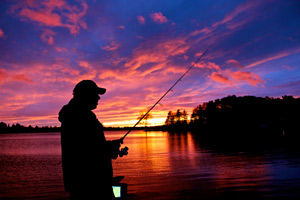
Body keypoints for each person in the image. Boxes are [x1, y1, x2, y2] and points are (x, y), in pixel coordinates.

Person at [58, 80, 123, 199]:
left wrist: (109, 145)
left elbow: (91, 145)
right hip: (90, 184)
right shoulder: (80, 117)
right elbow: (87, 152)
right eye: (95, 94)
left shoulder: (78, 114)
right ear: (85, 95)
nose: (98, 98)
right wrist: (110, 148)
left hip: (84, 183)